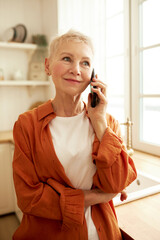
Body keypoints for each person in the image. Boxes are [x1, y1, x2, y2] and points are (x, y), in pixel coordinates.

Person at [12, 30, 137, 240]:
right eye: (67, 58)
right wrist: (97, 196)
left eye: (85, 63)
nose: (76, 70)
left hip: (102, 233)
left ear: (93, 75)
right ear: (47, 66)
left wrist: (99, 121)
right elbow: (29, 198)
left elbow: (117, 183)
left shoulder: (107, 123)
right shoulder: (27, 125)